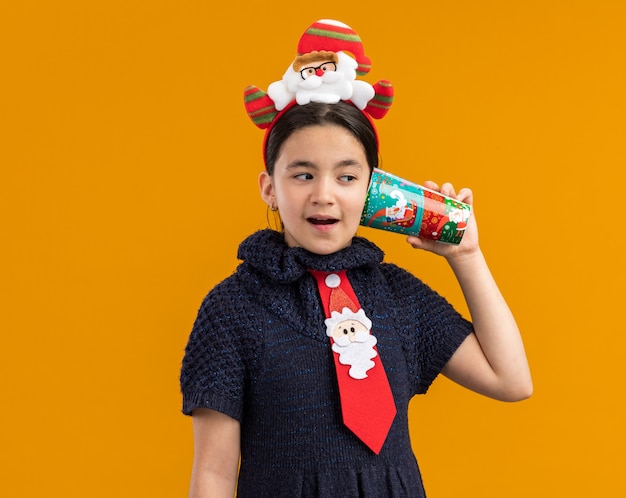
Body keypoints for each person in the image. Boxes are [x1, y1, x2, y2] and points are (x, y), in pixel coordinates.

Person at [180, 19, 532, 498]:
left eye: (346, 177)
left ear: (373, 191)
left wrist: (465, 254)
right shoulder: (232, 309)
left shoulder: (398, 296)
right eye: (303, 175)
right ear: (270, 188)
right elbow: (213, 474)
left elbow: (510, 379)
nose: (324, 195)